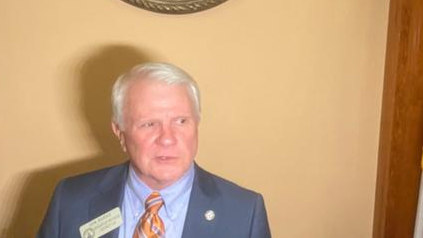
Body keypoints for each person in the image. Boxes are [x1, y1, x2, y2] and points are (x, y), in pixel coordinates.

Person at [37, 62, 271, 238]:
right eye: (149, 124)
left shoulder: (244, 212)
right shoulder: (69, 200)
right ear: (120, 132)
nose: (167, 139)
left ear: (197, 124)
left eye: (181, 121)